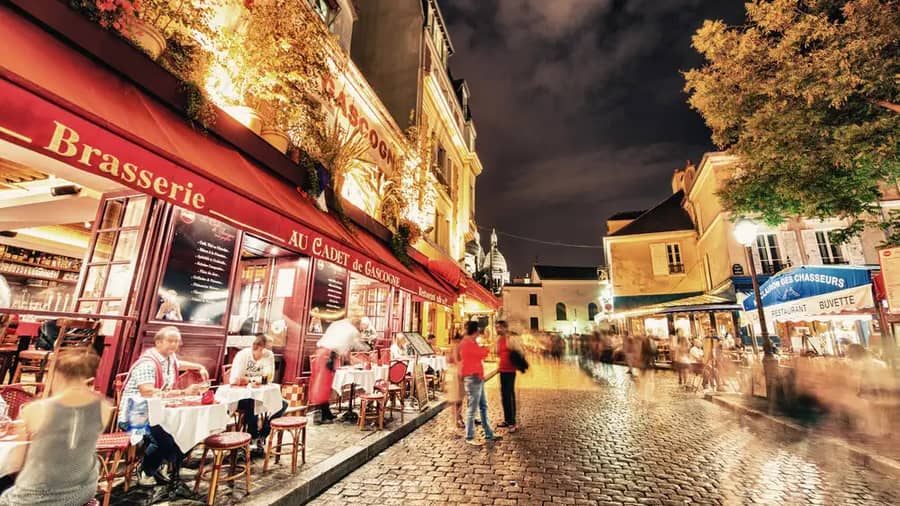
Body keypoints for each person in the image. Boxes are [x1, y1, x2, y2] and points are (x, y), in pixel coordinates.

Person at [0, 348, 112, 505]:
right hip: (83, 491)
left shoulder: (36, 410)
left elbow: (17, 465)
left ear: (57, 377)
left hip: (40, 497)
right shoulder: (103, 407)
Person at [117, 326, 208, 493]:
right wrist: (183, 392)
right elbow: (147, 391)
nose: (174, 345)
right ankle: (146, 470)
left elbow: (179, 364)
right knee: (164, 440)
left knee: (184, 431)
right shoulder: (147, 364)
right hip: (136, 413)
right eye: (170, 341)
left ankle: (163, 466)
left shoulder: (169, 358)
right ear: (158, 342)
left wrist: (199, 366)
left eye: (177, 341)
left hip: (157, 412)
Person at [230, 334, 286, 451]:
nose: (270, 351)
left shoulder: (268, 355)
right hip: (240, 397)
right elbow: (235, 380)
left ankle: (262, 435)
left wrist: (248, 380)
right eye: (268, 348)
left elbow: (268, 378)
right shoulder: (243, 355)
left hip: (260, 395)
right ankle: (252, 437)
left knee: (282, 404)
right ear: (260, 347)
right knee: (252, 401)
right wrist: (253, 380)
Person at [309, 316, 364, 424]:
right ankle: (319, 416)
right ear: (357, 324)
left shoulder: (338, 324)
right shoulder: (351, 330)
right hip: (328, 356)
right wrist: (366, 348)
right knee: (323, 386)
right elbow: (351, 348)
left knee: (324, 384)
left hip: (322, 353)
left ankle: (326, 412)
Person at [459, 321, 501, 446]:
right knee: (472, 409)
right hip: (472, 378)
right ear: (475, 330)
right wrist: (488, 348)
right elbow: (481, 354)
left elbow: (479, 354)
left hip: (478, 377)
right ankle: (469, 436)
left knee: (483, 406)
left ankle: (489, 433)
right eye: (478, 330)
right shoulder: (467, 343)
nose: (479, 332)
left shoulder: (471, 342)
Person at [495, 321, 519, 432]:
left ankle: (512, 422)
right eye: (496, 327)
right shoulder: (499, 339)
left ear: (505, 328)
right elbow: (498, 353)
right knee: (504, 396)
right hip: (502, 370)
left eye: (499, 327)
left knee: (509, 395)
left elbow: (517, 353)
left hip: (510, 371)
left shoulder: (511, 339)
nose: (497, 329)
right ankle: (507, 419)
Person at [445, 332, 464, 429]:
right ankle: (457, 420)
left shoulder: (451, 347)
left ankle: (456, 419)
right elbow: (457, 360)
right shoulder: (458, 346)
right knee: (458, 398)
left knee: (454, 399)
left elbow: (448, 360)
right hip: (457, 372)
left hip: (450, 371)